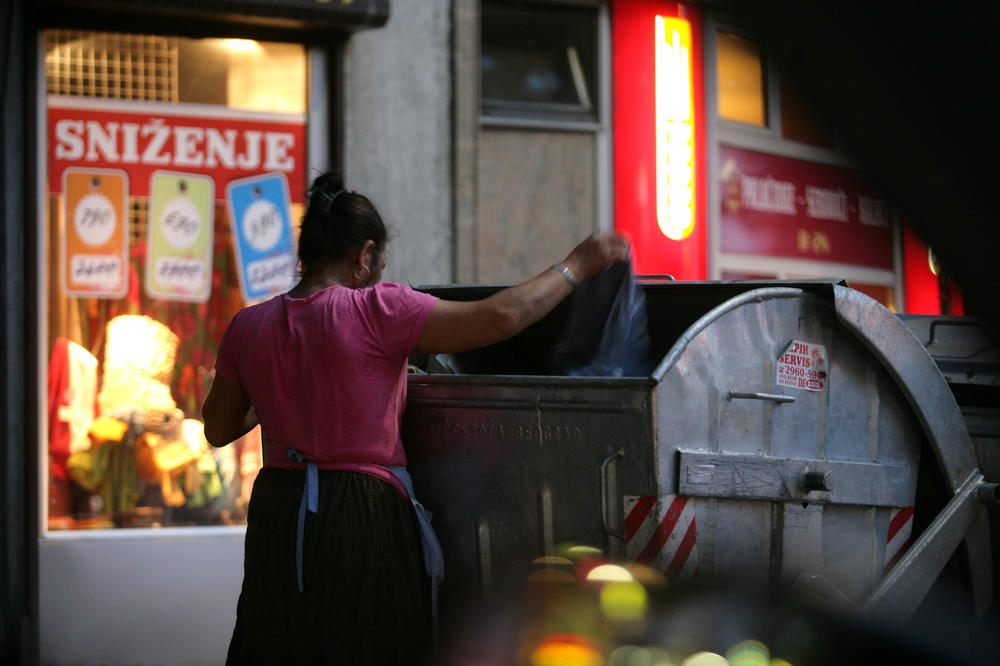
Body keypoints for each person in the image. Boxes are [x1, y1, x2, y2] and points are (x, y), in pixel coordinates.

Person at [202, 172, 630, 665]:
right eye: (379, 264)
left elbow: (219, 428)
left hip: (279, 510)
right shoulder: (377, 310)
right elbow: (501, 317)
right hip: (360, 512)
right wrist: (579, 263)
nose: (380, 275)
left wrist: (283, 386)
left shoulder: (247, 326)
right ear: (364, 256)